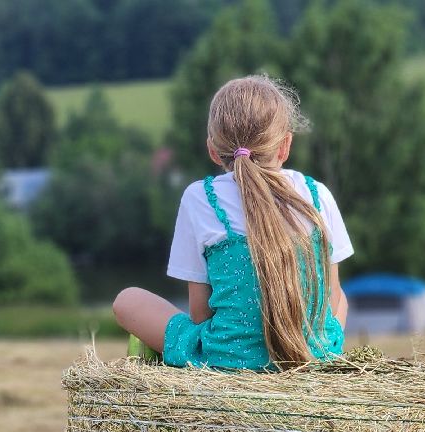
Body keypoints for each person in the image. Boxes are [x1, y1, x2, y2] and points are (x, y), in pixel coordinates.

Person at [113, 74, 353, 371]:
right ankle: (324, 351)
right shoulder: (316, 196)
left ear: (213, 150)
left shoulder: (200, 197)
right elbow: (331, 297)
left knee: (127, 300)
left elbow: (200, 313)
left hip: (229, 360)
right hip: (315, 357)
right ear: (285, 146)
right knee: (342, 297)